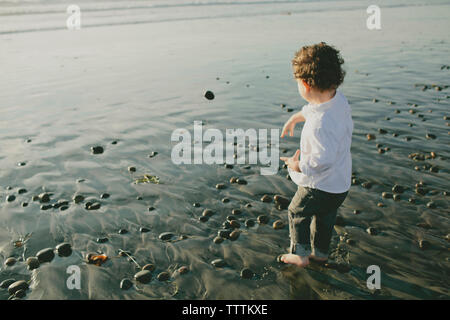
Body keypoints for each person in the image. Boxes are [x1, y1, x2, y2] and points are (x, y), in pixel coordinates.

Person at [279, 42, 353, 267]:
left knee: (296, 211)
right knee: (325, 218)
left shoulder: (320, 124)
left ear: (304, 84)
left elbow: (322, 160)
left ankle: (299, 254)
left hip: (319, 185)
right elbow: (315, 107)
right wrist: (296, 117)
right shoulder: (337, 100)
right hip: (339, 185)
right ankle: (320, 253)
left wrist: (297, 165)